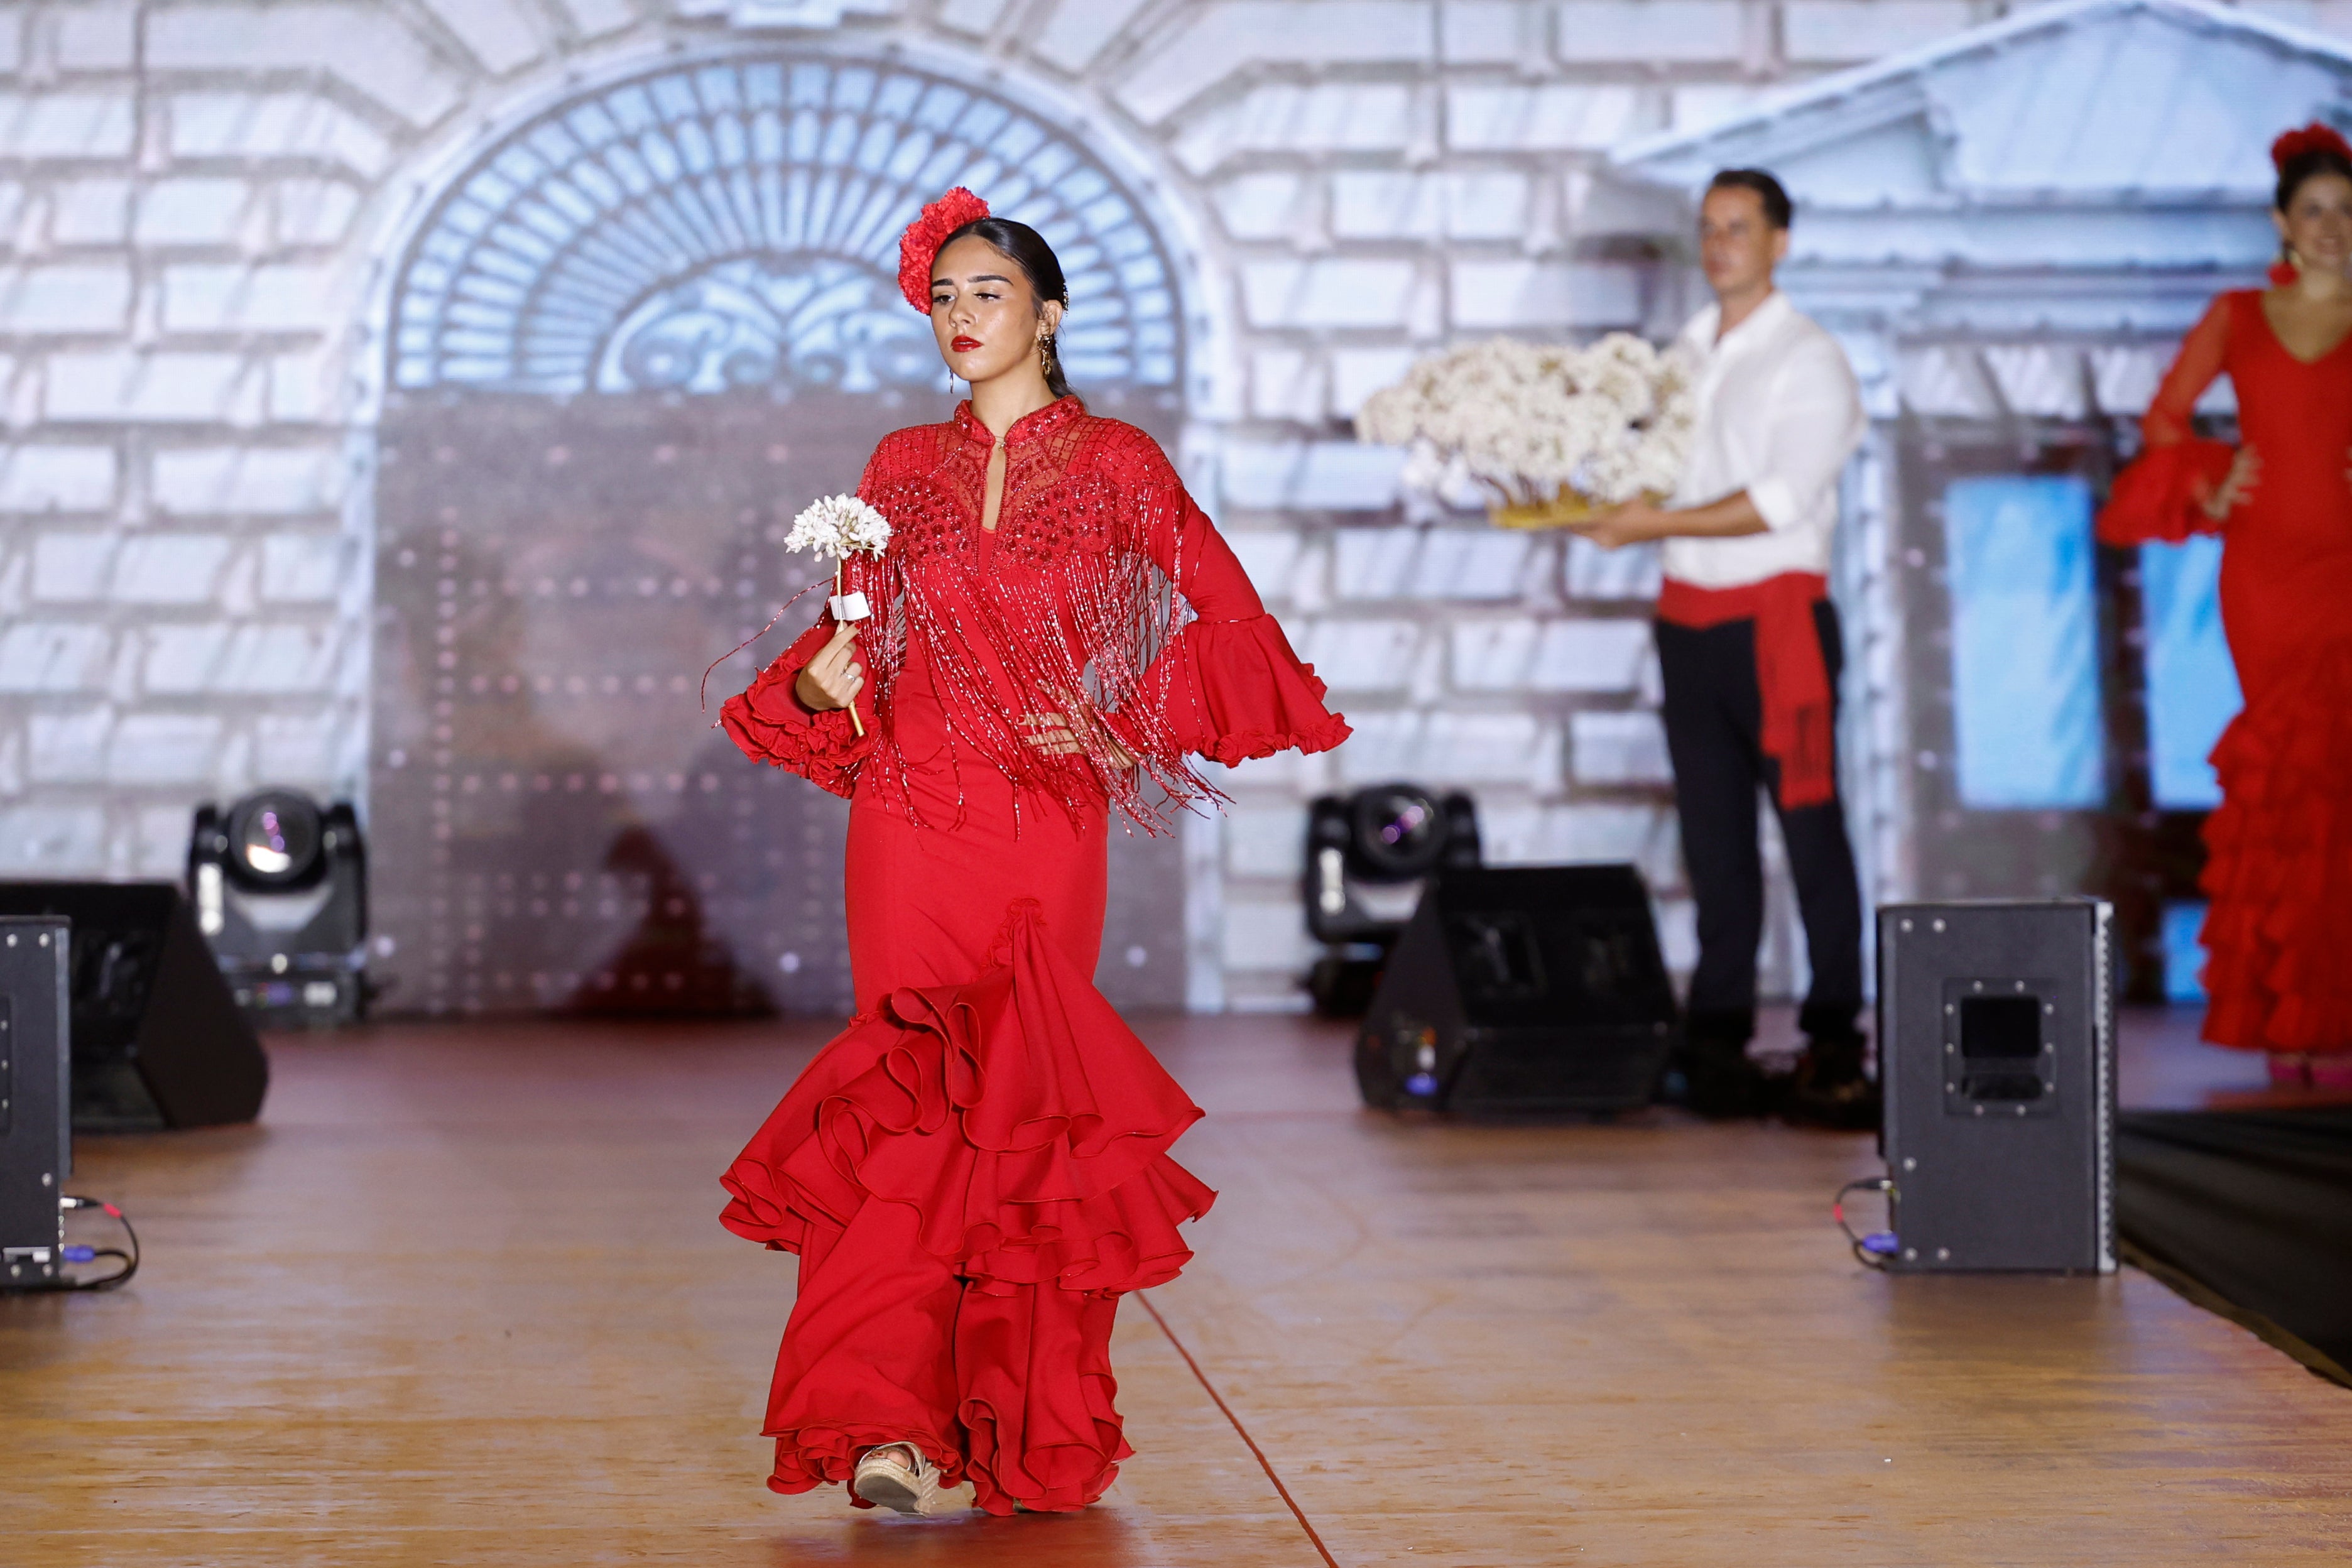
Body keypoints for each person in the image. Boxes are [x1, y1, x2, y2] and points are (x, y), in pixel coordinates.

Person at [712, 188, 1349, 1517]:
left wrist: (1126, 716)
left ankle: (1019, 1425)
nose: (959, 316)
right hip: (907, 817)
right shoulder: (895, 466)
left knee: (1019, 1119)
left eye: (986, 293)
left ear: (1048, 314)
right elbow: (858, 639)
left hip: (1042, 827)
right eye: (942, 296)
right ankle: (885, 1425)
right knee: (899, 1105)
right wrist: (825, 689)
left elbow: (1233, 621)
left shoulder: (1120, 464)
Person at [1564, 169, 1872, 1128]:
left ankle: (1833, 1038)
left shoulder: (1810, 359)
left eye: (1740, 227)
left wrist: (1648, 524)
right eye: (1709, 228)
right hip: (1689, 622)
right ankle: (1720, 1033)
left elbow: (1779, 501)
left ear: (1780, 240)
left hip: (1776, 620)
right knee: (1715, 843)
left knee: (1810, 832)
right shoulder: (1685, 355)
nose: (1721, 243)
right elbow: (1652, 471)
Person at [2096, 124, 2352, 1092]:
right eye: (2316, 211)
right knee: (2291, 780)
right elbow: (2165, 417)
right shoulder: (2239, 313)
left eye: (2347, 213)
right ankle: (2291, 1028)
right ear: (2284, 221)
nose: (2332, 227)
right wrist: (2212, 481)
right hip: (2267, 576)